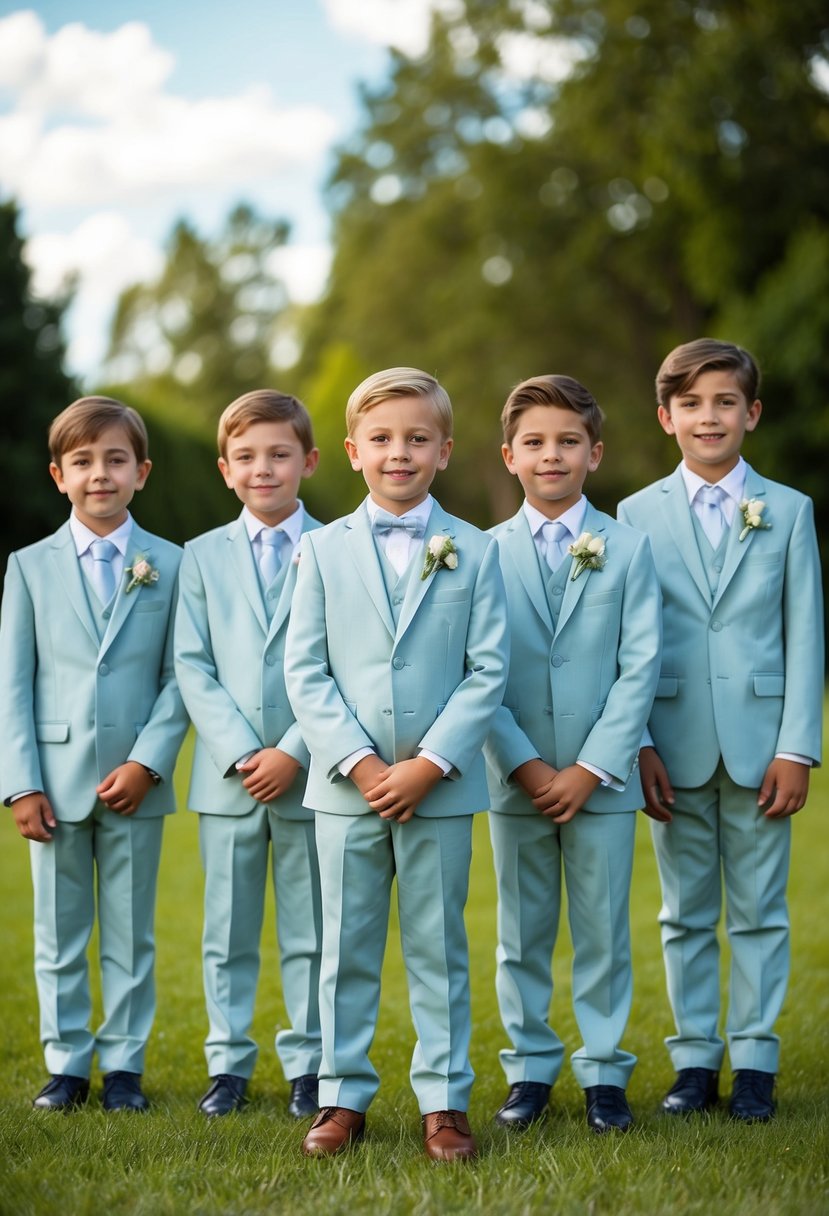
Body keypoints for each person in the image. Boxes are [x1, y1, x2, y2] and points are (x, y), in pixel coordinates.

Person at [284, 368, 508, 1161]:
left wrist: (431, 762)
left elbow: (488, 670)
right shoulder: (318, 550)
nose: (399, 452)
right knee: (342, 945)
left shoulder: (475, 550)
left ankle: (443, 1100)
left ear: (444, 450)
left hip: (438, 790)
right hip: (346, 791)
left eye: (417, 439)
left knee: (437, 944)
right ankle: (342, 1095)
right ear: (351, 451)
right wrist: (354, 759)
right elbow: (303, 670)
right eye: (381, 439)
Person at [618, 338, 823, 1122]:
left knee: (761, 910)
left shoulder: (788, 510)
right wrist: (635, 741)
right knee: (682, 911)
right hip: (668, 744)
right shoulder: (632, 515)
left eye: (725, 403)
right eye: (693, 404)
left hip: (761, 745)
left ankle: (757, 1066)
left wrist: (796, 746)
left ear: (751, 414)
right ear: (666, 416)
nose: (710, 417)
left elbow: (803, 635)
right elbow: (626, 640)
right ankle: (694, 1062)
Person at [0, 395, 188, 1112]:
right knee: (57, 932)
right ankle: (66, 1065)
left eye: (115, 460)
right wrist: (20, 784)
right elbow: (14, 681)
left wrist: (148, 761)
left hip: (135, 781)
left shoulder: (170, 565)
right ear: (58, 475)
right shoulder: (29, 566)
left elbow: (179, 678)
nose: (99, 474)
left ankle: (126, 1071)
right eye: (83, 462)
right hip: (53, 778)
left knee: (130, 935)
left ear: (140, 472)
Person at [485, 374, 661, 1134]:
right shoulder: (477, 553)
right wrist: (524, 763)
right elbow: (474, 672)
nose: (550, 455)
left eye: (566, 442)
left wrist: (593, 767)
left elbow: (640, 664)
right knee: (519, 931)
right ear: (508, 456)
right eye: (534, 443)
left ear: (595, 453)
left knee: (601, 931)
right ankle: (526, 1071)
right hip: (514, 775)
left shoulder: (628, 549)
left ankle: (603, 1074)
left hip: (603, 780)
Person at [174, 389, 324, 1119]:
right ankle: (227, 1064)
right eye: (246, 457)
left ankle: (309, 1064)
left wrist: (293, 749)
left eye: (278, 454)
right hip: (228, 781)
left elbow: (344, 662)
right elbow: (191, 666)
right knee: (225, 930)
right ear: (224, 469)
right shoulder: (198, 557)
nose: (262, 468)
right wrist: (241, 751)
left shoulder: (337, 547)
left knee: (308, 928)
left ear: (308, 461)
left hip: (310, 774)